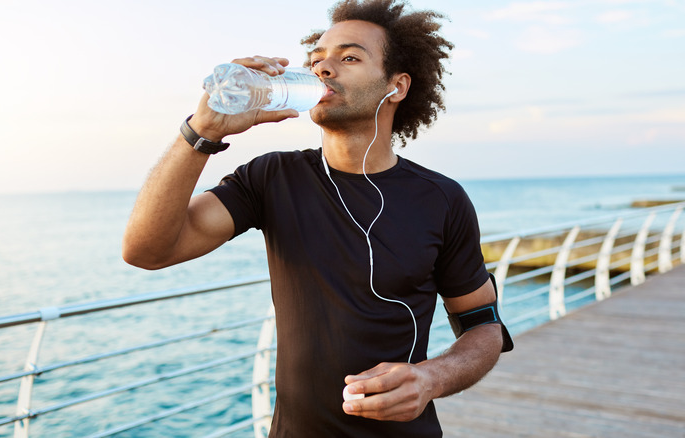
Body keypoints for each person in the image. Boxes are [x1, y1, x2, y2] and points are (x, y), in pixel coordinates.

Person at [123, 0, 511, 436]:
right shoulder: (271, 177)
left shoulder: (441, 199)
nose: (324, 69)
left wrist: (430, 379)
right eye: (316, 60)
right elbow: (146, 250)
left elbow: (484, 327)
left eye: (348, 57)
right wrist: (204, 129)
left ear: (396, 87)